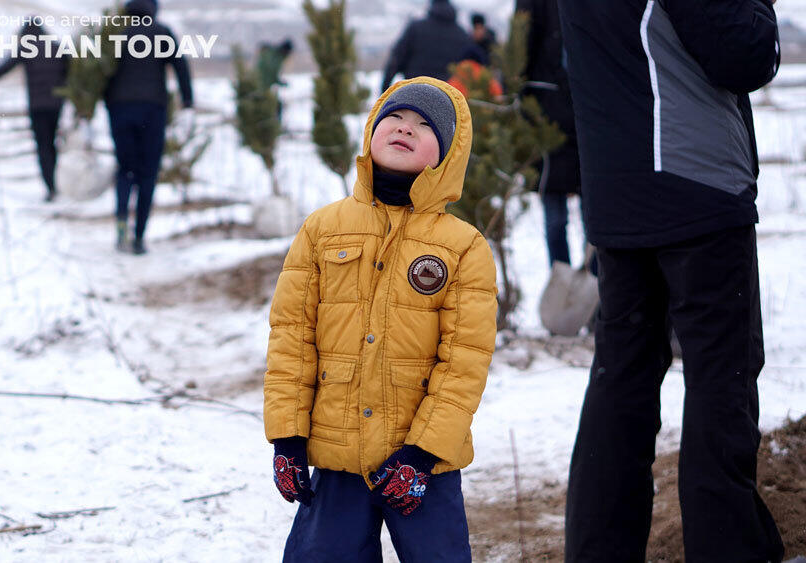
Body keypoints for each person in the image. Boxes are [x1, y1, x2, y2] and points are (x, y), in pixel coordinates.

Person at [556, 0, 784, 561]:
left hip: (617, 191)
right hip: (696, 183)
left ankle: (600, 550)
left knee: (622, 378)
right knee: (721, 379)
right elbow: (744, 52)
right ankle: (729, 550)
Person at [264, 77, 498, 561]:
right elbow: (291, 339)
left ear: (447, 154)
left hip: (423, 465)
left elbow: (464, 363)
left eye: (424, 125)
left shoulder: (463, 247)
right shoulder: (322, 230)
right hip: (337, 455)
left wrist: (424, 452)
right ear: (372, 130)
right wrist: (287, 436)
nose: (405, 128)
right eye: (395, 117)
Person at [104, 0, 193, 255]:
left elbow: (99, 72)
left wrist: (96, 104)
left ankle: (122, 222)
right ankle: (139, 236)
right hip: (152, 110)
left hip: (120, 108)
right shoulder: (161, 32)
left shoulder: (116, 34)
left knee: (125, 169)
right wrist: (187, 102)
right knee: (147, 173)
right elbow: (180, 65)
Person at [515, 0, 590, 272]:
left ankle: (594, 281)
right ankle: (564, 279)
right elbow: (519, 51)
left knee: (592, 213)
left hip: (582, 113)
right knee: (559, 214)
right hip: (550, 116)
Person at [0, 21, 69, 203]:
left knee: (43, 146)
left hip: (37, 106)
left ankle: (51, 187)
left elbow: (4, 68)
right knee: (51, 143)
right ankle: (54, 182)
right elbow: (71, 72)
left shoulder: (27, 48)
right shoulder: (57, 48)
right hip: (56, 105)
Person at [381, 0, 477, 92]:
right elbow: (469, 68)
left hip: (414, 91)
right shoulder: (461, 34)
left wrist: (385, 90)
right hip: (448, 94)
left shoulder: (416, 28)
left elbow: (396, 60)